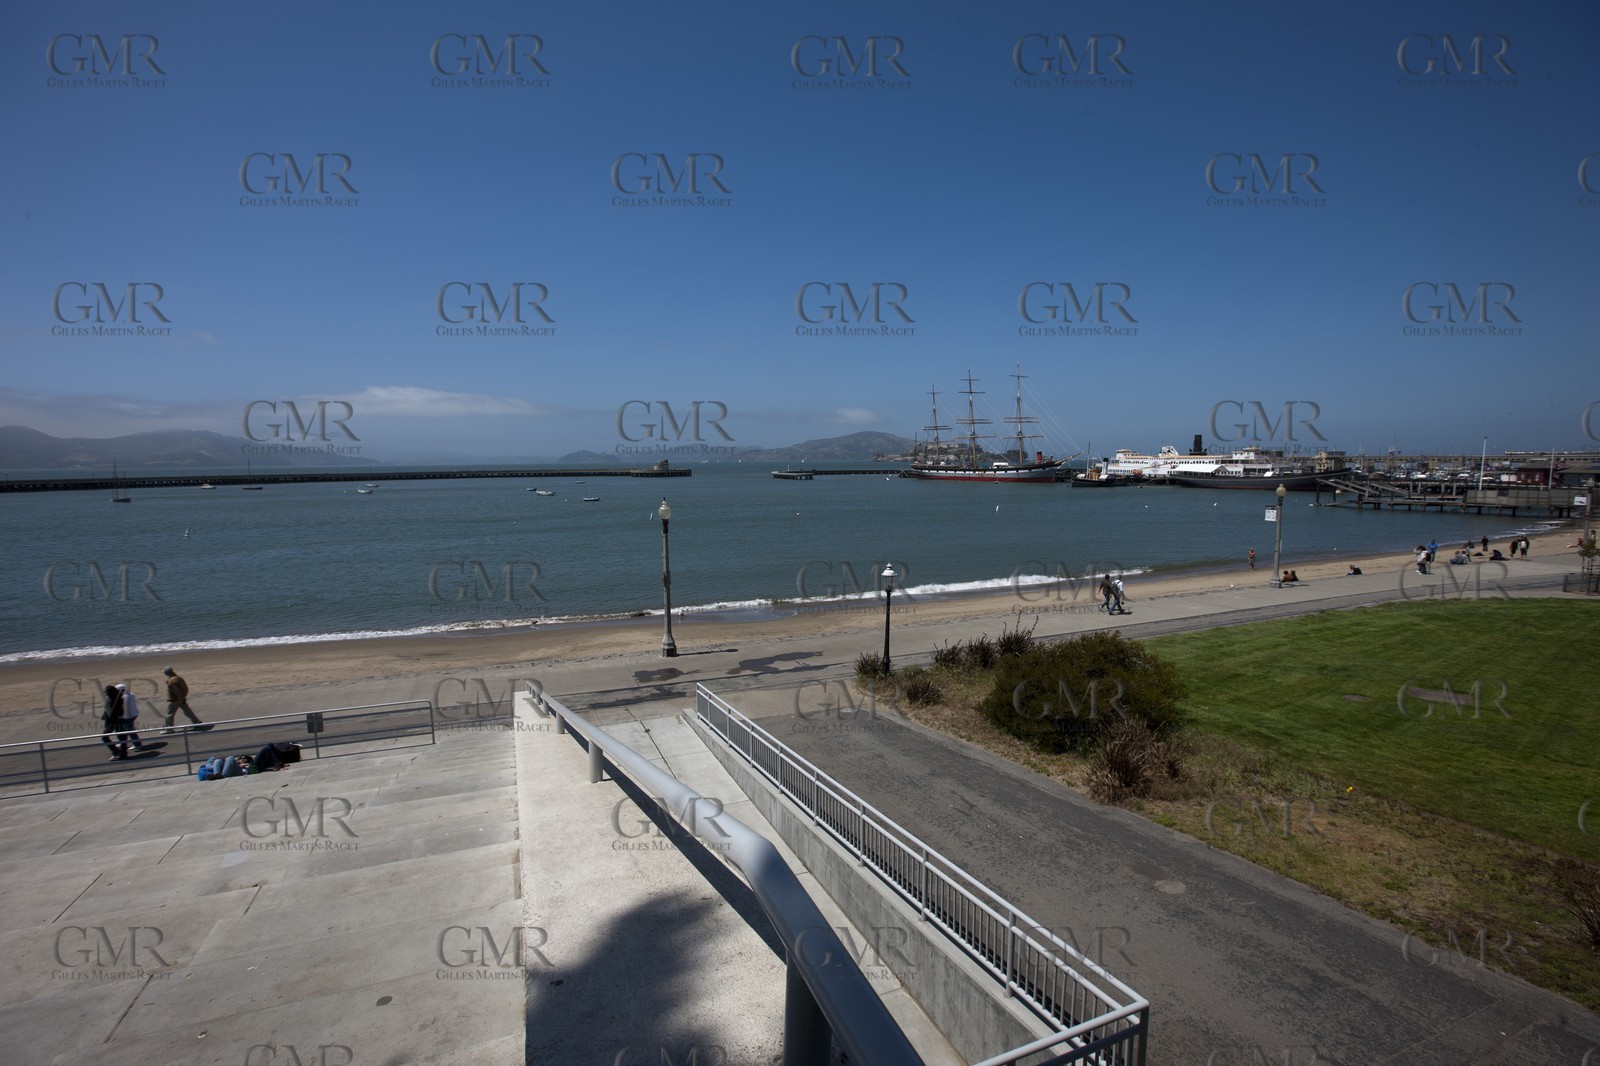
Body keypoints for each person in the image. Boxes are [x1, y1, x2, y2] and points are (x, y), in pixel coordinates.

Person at [161, 667, 204, 732]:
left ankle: (169, 729)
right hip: (180, 698)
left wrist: (181, 699)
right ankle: (196, 722)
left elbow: (177, 691)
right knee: (187, 711)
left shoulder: (173, 680)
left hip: (175, 700)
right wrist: (182, 698)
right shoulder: (177, 678)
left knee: (169, 714)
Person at [115, 683, 145, 751]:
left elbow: (124, 708)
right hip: (134, 714)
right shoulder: (131, 694)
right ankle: (123, 743)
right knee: (124, 730)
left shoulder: (124, 697)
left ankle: (137, 745)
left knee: (129, 731)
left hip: (128, 716)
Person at [101, 685, 129, 761]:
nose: (106, 694)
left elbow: (111, 713)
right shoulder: (119, 696)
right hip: (120, 719)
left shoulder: (111, 700)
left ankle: (116, 752)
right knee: (122, 737)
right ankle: (123, 753)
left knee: (104, 737)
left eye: (106, 692)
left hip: (113, 721)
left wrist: (108, 724)